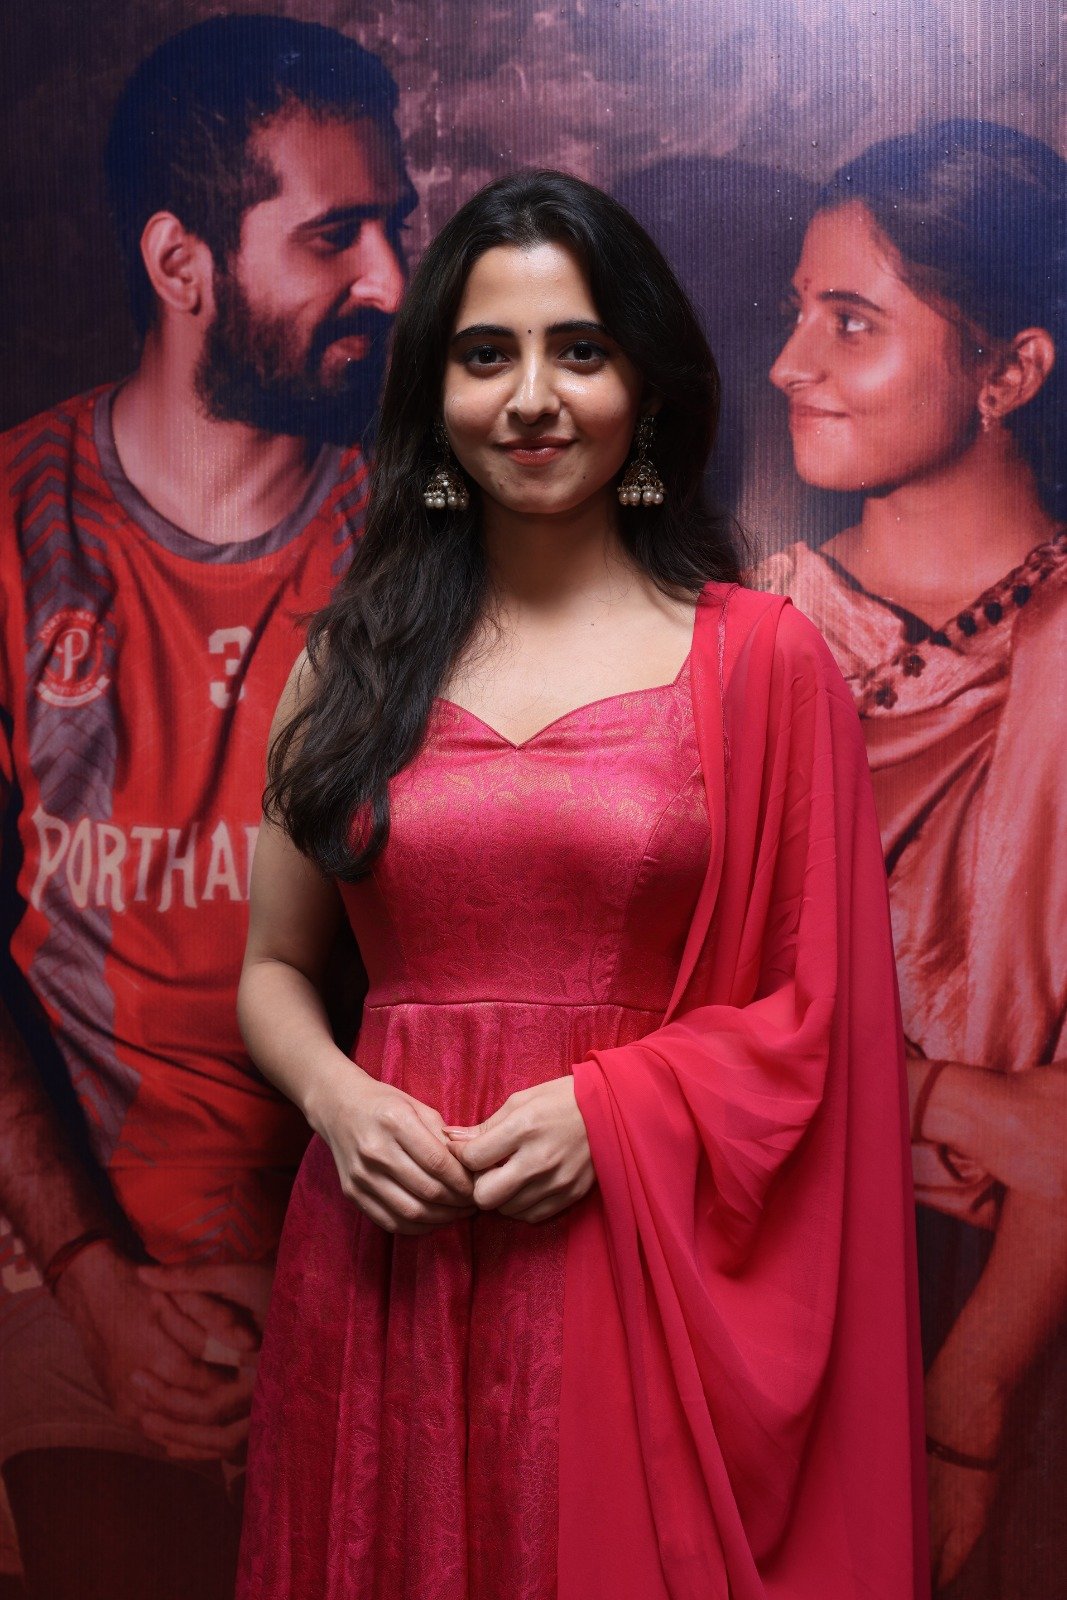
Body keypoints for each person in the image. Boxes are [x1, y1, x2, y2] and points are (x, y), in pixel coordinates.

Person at [236, 169, 925, 1600]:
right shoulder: (344, 663)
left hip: (639, 1263)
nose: (534, 398)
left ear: (645, 387)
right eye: (488, 354)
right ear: (436, 394)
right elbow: (278, 970)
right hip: (385, 1252)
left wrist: (617, 1114)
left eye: (581, 351)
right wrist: (338, 1100)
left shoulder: (763, 662)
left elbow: (827, 1025)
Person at [0, 15, 414, 1598]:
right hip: (73, 1262)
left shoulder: (435, 554)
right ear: (182, 263)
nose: (390, 280)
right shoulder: (17, 531)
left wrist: (323, 1271)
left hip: (368, 1250)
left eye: (395, 226)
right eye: (333, 236)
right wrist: (100, 1288)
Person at [758, 121, 1067, 1599]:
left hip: (1016, 1335)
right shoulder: (742, 635)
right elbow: (659, 1038)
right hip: (755, 1285)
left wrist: (974, 1399)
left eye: (852, 322)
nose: (788, 365)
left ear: (1011, 373)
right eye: (796, 313)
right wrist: (948, 1098)